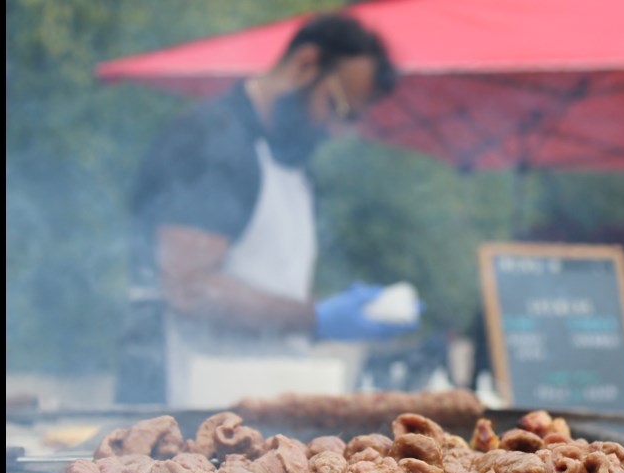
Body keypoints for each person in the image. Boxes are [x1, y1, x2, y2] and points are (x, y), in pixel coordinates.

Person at [116, 12, 419, 405]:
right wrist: (317, 317)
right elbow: (187, 286)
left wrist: (328, 313)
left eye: (354, 120)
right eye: (340, 109)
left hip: (263, 404)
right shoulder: (210, 139)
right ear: (305, 65)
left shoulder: (292, 163)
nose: (339, 131)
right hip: (187, 405)